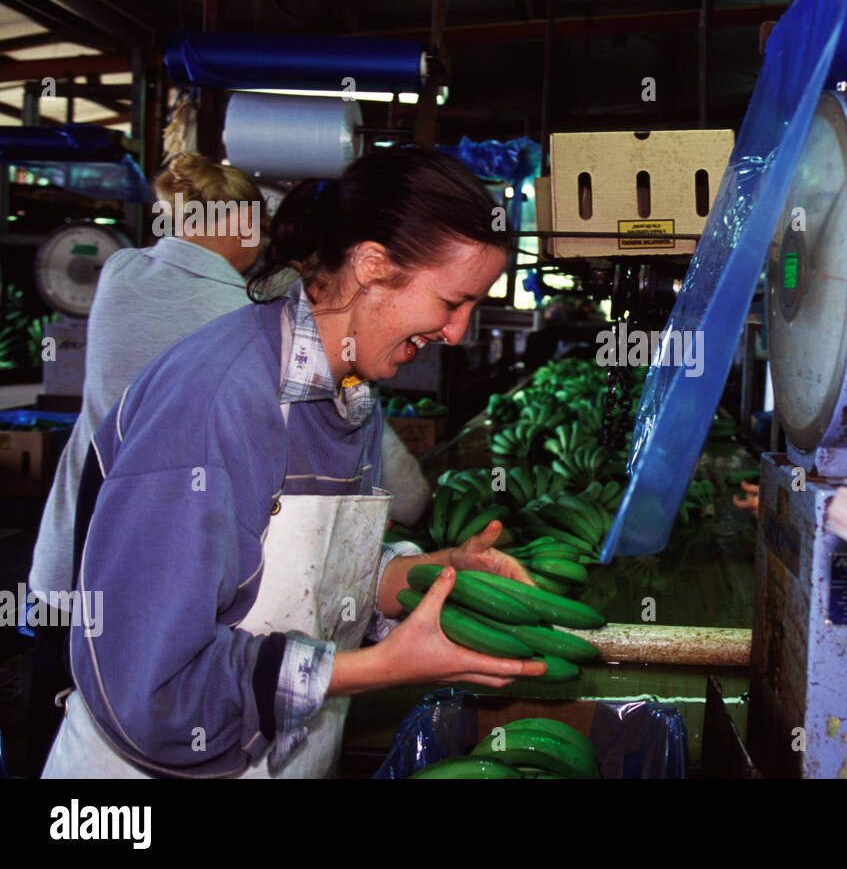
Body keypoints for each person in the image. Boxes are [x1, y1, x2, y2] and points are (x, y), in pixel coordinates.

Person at [41, 145, 542, 779]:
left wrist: (439, 575)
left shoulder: (351, 394)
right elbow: (151, 683)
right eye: (452, 302)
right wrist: (380, 669)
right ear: (371, 265)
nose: (458, 333)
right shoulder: (216, 401)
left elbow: (309, 575)